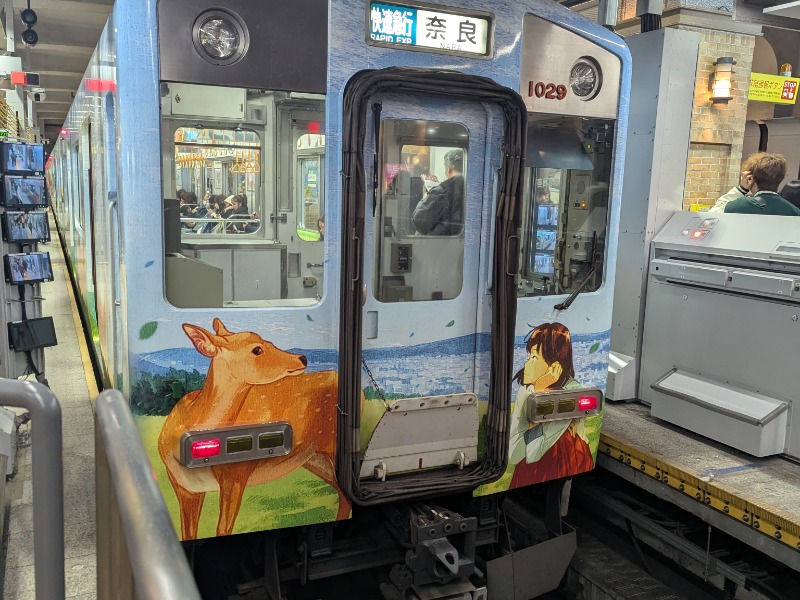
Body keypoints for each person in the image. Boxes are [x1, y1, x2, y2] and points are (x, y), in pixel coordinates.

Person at [508, 322, 594, 487]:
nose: (526, 364)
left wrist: (540, 393)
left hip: (564, 461)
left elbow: (533, 453)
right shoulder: (526, 391)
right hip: (537, 469)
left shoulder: (570, 392)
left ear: (554, 366)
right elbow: (513, 454)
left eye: (534, 358)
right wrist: (538, 390)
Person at [723, 153, 800, 216]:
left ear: (750, 178)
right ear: (780, 179)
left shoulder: (737, 207)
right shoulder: (794, 211)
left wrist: (741, 189)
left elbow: (717, 214)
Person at [411, 149, 464, 235]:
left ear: (449, 168)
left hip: (439, 241)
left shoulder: (441, 192)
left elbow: (419, 222)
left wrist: (425, 199)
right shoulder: (469, 189)